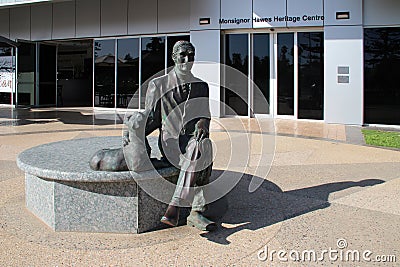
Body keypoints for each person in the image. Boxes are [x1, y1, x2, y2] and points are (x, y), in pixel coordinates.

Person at [143, 40, 216, 231]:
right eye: (182, 55)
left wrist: (202, 124)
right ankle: (196, 211)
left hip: (192, 142)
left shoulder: (201, 86)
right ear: (174, 57)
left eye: (191, 56)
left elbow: (205, 116)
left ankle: (177, 206)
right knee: (200, 152)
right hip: (171, 145)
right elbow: (150, 120)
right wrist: (134, 134)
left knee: (201, 146)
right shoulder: (158, 85)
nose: (187, 59)